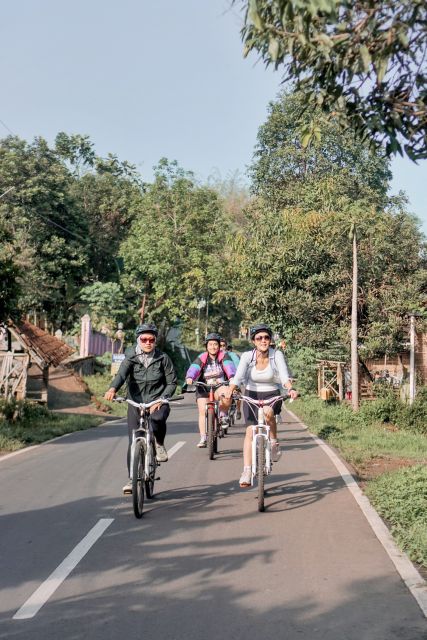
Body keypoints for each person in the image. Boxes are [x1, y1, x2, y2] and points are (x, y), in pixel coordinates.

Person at [104, 323, 177, 494]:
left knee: (158, 419)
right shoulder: (131, 356)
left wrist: (163, 399)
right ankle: (132, 479)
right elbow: (121, 374)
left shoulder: (162, 358)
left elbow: (172, 381)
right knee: (133, 441)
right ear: (138, 340)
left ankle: (159, 443)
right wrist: (112, 388)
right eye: (144, 339)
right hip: (136, 402)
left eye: (151, 339)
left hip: (157, 400)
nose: (148, 342)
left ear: (155, 341)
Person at [224, 324, 298, 488]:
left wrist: (290, 388)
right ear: (253, 341)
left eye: (266, 337)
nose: (263, 341)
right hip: (251, 394)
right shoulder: (246, 357)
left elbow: (285, 376)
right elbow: (238, 376)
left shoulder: (276, 355)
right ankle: (247, 470)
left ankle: (273, 441)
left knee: (267, 413)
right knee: (250, 432)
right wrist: (230, 390)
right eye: (259, 338)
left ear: (270, 340)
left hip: (272, 393)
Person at [185, 333, 236, 447]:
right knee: (203, 411)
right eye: (210, 344)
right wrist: (190, 377)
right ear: (206, 346)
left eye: (215, 344)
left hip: (219, 386)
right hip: (203, 386)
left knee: (227, 395)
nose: (213, 347)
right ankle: (203, 437)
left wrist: (232, 376)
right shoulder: (202, 357)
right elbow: (195, 367)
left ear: (219, 346)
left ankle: (223, 415)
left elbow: (229, 367)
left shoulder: (224, 356)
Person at [220, 339, 242, 420]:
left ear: (226, 347)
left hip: (232, 378)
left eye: (223, 346)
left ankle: (238, 410)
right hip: (220, 380)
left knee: (238, 393)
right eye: (220, 346)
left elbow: (238, 365)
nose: (222, 348)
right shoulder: (215, 356)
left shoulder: (232, 355)